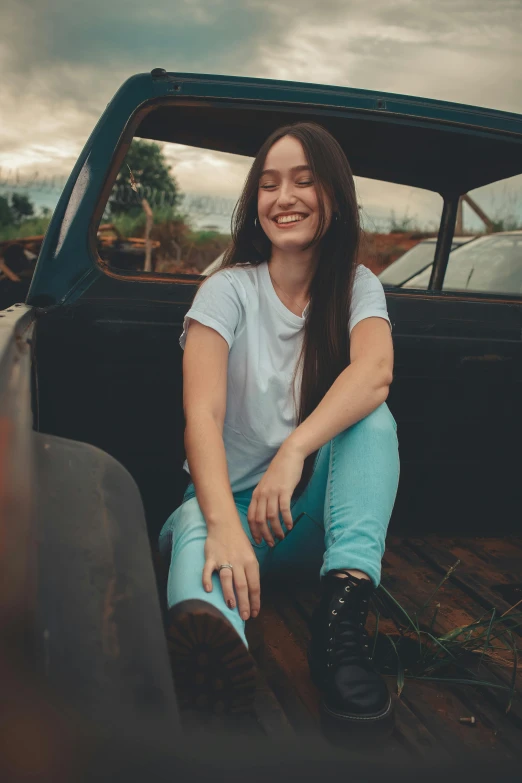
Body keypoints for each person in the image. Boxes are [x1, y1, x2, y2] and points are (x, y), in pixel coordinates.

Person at [159, 122, 399, 737]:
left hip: (307, 520)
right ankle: (223, 672)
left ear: (334, 197)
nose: (283, 197)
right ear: (254, 203)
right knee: (201, 583)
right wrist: (222, 527)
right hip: (226, 512)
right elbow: (201, 418)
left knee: (372, 418)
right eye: (268, 185)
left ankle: (340, 631)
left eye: (303, 181)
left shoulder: (357, 286)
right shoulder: (226, 290)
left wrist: (294, 450)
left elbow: (374, 372)